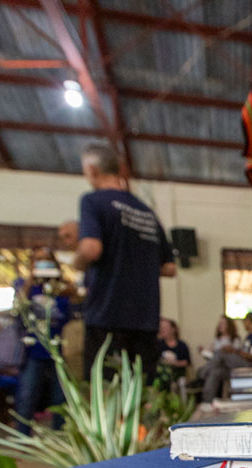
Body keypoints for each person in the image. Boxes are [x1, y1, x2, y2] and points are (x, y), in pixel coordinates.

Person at [73, 142, 176, 379]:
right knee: (144, 394)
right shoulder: (146, 212)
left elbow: (91, 249)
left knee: (106, 395)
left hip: (108, 315)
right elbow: (169, 268)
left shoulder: (93, 201)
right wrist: (139, 264)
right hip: (146, 318)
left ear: (91, 169)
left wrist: (75, 263)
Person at [15, 247, 72, 434]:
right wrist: (30, 283)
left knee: (60, 397)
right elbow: (18, 309)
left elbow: (71, 314)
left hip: (58, 350)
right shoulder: (25, 286)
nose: (42, 265)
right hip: (33, 350)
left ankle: (60, 435)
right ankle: (22, 436)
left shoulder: (62, 289)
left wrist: (66, 288)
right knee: (27, 394)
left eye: (46, 261)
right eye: (37, 261)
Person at [199, 315, 252, 403]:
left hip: (246, 366)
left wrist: (234, 351)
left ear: (248, 322)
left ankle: (204, 371)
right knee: (215, 373)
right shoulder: (249, 336)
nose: (244, 325)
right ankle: (207, 401)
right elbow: (243, 351)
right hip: (227, 367)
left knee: (221, 352)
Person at [157, 318, 191, 385]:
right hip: (161, 373)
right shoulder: (158, 344)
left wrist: (174, 363)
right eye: (160, 327)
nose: (162, 329)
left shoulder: (182, 345)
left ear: (173, 329)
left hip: (178, 373)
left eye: (165, 327)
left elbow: (186, 362)